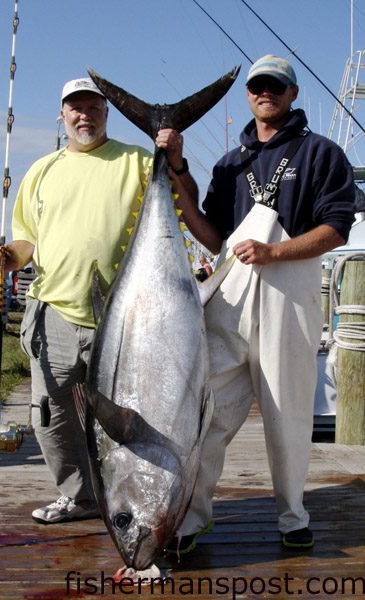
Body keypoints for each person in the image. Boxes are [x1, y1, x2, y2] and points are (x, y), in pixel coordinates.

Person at [168, 54, 355, 552]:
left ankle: (293, 515)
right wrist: (178, 176)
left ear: (292, 94)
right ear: (247, 95)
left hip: (286, 300)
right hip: (228, 300)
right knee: (205, 414)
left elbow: (336, 228)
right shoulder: (231, 163)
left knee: (289, 415)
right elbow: (213, 237)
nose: (265, 93)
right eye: (257, 87)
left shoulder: (322, 153)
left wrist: (275, 251)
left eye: (275, 86)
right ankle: (190, 518)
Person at [0, 76, 197, 525]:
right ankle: (80, 497)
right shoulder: (42, 171)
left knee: (136, 416)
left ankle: (141, 499)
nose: (84, 115)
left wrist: (173, 161)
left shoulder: (140, 161)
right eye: (75, 108)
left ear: (107, 113)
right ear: (63, 115)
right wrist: (9, 256)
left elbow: (186, 201)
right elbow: (27, 240)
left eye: (94, 107)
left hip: (125, 319)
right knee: (52, 417)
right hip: (55, 314)